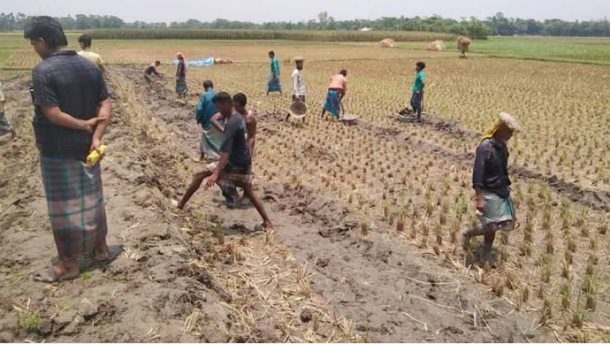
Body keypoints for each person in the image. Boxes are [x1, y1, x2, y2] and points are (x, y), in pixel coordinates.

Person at [24, 16, 114, 282]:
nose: (34, 48)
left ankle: (68, 264)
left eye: (33, 43)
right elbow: (105, 105)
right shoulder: (89, 67)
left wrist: (82, 125)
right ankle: (100, 249)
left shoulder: (43, 71)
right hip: (88, 149)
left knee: (63, 207)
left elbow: (52, 114)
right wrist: (96, 135)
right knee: (93, 198)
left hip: (58, 150)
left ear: (41, 41)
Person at [179, 92, 273, 230]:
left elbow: (225, 153)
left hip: (235, 162)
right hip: (242, 161)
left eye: (219, 107)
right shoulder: (234, 118)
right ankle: (267, 222)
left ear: (228, 104)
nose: (218, 111)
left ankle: (180, 206)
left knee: (199, 174)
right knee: (248, 189)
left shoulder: (234, 122)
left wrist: (216, 173)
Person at [463, 112, 521, 265]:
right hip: (488, 190)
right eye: (508, 131)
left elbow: (502, 169)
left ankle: (485, 253)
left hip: (500, 189)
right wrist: (479, 197)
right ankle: (469, 235)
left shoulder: (502, 148)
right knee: (492, 225)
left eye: (512, 132)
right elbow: (478, 173)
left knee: (500, 224)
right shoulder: (485, 147)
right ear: (499, 129)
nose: (510, 135)